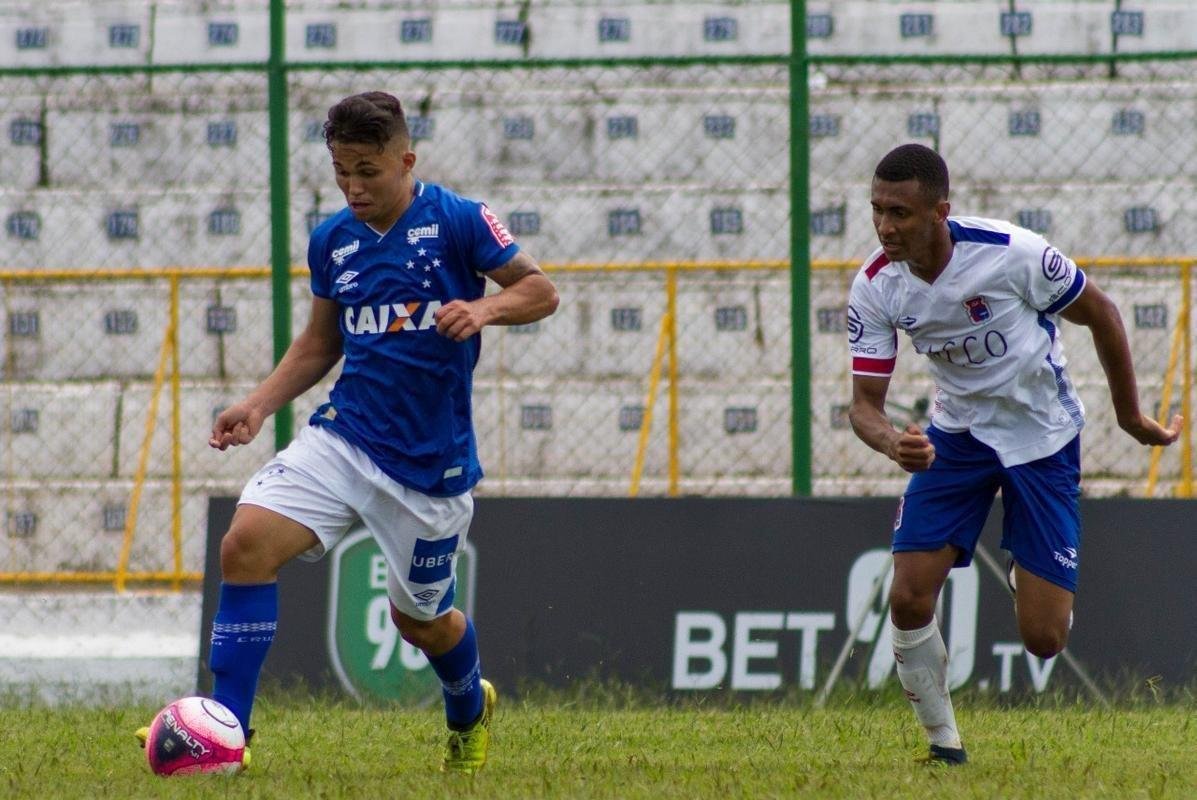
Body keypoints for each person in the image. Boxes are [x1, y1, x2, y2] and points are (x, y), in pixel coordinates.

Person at [140, 91, 559, 774]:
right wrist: (258, 405)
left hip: (430, 468)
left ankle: (466, 705)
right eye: (341, 172)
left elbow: (540, 291)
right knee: (244, 546)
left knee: (419, 622)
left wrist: (486, 310)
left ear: (405, 159)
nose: (354, 187)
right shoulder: (333, 239)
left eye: (368, 170)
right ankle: (225, 735)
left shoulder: (457, 220)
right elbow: (319, 342)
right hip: (343, 437)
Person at [847, 143, 1181, 766]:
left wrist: (1131, 417)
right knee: (908, 595)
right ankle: (944, 748)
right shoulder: (874, 286)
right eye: (877, 211)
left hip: (1042, 436)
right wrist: (895, 441)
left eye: (900, 213)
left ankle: (1038, 573)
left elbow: (1102, 314)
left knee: (1044, 639)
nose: (885, 227)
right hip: (956, 437)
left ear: (940, 211)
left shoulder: (1010, 254)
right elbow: (864, 404)